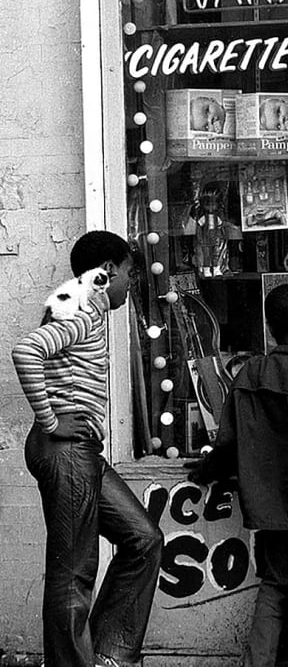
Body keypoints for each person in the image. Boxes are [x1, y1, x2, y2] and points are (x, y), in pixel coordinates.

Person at [12, 230, 164, 667]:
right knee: (74, 571)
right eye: (130, 273)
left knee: (144, 540)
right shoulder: (81, 307)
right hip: (67, 450)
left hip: (82, 452)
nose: (131, 283)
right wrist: (52, 420)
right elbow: (26, 352)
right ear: (109, 271)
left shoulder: (80, 303)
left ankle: (107, 655)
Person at [186, 283, 288, 667]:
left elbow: (228, 443)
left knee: (274, 585)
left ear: (270, 327)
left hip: (267, 503)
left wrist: (205, 472)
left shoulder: (249, 373)